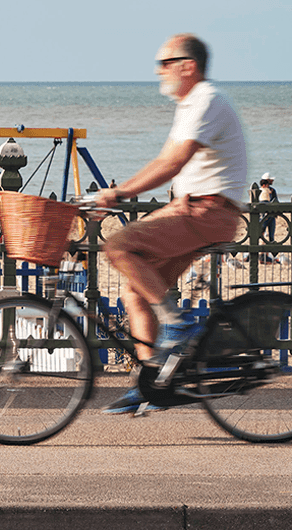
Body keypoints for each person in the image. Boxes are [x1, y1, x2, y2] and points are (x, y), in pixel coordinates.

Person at [91, 34, 248, 414]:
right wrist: (114, 193)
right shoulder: (190, 104)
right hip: (194, 209)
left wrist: (121, 193)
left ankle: (176, 325)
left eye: (165, 62)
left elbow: (173, 163)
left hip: (206, 211)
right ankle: (151, 383)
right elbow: (164, 160)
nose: (159, 70)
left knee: (118, 247)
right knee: (134, 292)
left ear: (187, 65)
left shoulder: (206, 99)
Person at [258, 173, 279, 247]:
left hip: (271, 214)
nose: (272, 181)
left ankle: (270, 250)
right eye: (271, 180)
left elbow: (275, 201)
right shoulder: (261, 191)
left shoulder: (272, 191)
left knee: (271, 235)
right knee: (262, 232)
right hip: (263, 215)